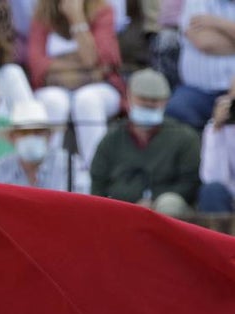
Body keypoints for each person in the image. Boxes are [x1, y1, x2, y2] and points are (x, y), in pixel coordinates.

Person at [90, 68, 200, 218]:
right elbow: (98, 182)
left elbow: (190, 183)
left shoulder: (185, 138)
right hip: (120, 209)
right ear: (129, 97)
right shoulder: (112, 138)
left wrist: (152, 201)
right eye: (142, 100)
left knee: (170, 203)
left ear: (166, 101)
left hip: (165, 212)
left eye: (154, 101)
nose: (148, 104)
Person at [27, 0, 124, 164]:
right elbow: (37, 64)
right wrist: (83, 68)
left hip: (99, 88)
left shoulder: (103, 11)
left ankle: (95, 173)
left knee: (87, 100)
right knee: (54, 100)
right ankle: (49, 172)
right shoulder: (42, 15)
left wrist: (76, 17)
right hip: (54, 88)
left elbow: (95, 59)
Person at [0, 97, 88, 190]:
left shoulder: (69, 165)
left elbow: (83, 199)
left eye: (38, 132)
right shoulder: (1, 168)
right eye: (24, 133)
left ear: (49, 136)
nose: (31, 137)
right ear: (12, 138)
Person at [164, 0, 235, 131]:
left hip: (233, 93)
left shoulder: (213, 19)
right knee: (176, 111)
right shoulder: (197, 2)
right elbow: (204, 42)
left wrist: (217, 22)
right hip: (198, 92)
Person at [198, 76, 235, 213]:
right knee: (211, 192)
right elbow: (212, 179)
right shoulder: (218, 129)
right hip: (230, 198)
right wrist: (217, 129)